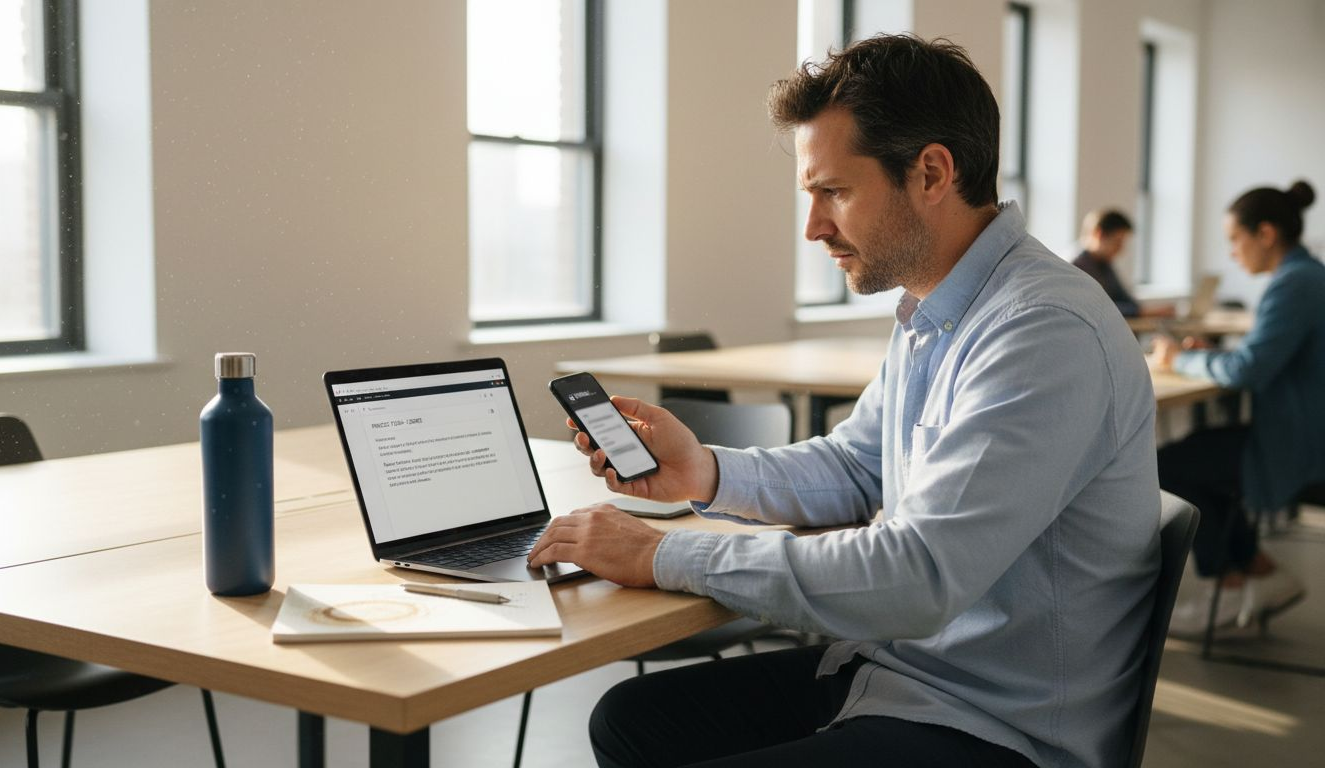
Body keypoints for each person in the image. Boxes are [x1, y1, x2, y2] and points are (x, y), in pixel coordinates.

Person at [530, 35, 1159, 768]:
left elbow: (919, 575)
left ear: (931, 172)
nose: (814, 227)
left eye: (835, 191)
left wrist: (667, 554)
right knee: (631, 720)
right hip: (905, 674)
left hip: (995, 727)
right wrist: (703, 472)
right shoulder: (940, 307)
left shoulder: (1042, 331)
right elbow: (860, 467)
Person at [1149, 180, 1324, 633]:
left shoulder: (1295, 283)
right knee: (1188, 457)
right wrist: (1213, 355)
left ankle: (1227, 586)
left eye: (1234, 240)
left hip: (1298, 444)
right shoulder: (1305, 276)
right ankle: (1260, 572)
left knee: (1167, 466)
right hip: (1303, 432)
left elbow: (1249, 370)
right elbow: (1262, 358)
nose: (1232, 252)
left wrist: (1182, 358)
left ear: (1265, 234)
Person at [1072, 209, 1173, 318]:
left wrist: (1142, 310)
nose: (1120, 249)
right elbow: (1095, 307)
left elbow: (1124, 298)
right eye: (1117, 242)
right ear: (1099, 234)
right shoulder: (1076, 266)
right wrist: (1142, 312)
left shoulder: (1104, 265)